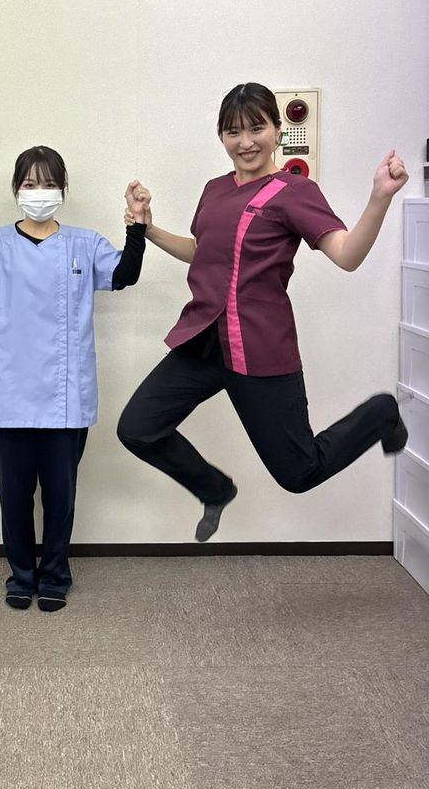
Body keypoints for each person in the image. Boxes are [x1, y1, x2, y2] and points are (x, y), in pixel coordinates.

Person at [118, 82, 409, 541]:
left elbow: (347, 255)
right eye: (233, 132)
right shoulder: (214, 190)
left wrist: (380, 197)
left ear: (277, 129)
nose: (246, 142)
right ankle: (215, 489)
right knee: (137, 428)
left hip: (259, 348)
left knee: (299, 472)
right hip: (203, 340)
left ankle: (382, 413)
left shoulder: (295, 191)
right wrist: (149, 228)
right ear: (221, 136)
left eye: (257, 128)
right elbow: (201, 252)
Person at [0, 146, 149, 611]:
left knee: (60, 497)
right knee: (14, 498)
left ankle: (55, 575)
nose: (40, 192)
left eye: (49, 183)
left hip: (64, 394)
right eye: (30, 184)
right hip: (7, 392)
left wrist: (136, 226)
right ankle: (21, 576)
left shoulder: (84, 244)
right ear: (16, 190)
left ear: (63, 190)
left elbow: (124, 275)